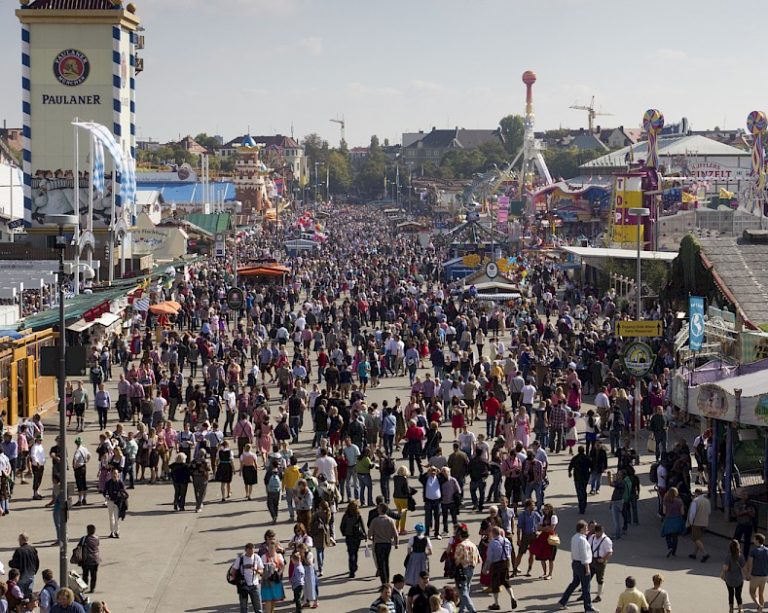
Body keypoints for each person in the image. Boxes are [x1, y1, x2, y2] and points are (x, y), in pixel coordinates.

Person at [557, 520, 597, 612]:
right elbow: (583, 554)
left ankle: (563, 601)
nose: (587, 530)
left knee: (575, 582)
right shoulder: (582, 540)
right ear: (581, 529)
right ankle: (588, 607)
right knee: (586, 586)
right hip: (582, 564)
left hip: (575, 563)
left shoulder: (575, 537)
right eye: (586, 528)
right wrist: (587, 567)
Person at [483, 526, 517, 611]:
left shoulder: (492, 543)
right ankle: (512, 597)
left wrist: (485, 568)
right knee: (505, 581)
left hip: (496, 564)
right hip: (505, 563)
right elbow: (509, 552)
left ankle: (496, 603)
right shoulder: (506, 541)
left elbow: (489, 558)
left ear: (493, 533)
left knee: (495, 584)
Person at [368, 502, 399, 585]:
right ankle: (387, 580)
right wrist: (396, 543)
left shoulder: (375, 520)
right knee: (386, 561)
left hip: (378, 544)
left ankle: (384, 583)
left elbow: (369, 534)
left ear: (380, 510)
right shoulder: (391, 520)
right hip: (388, 544)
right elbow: (396, 534)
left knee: (380, 563)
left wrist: (371, 538)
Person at [452, 526, 480, 613]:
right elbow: (479, 558)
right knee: (467, 589)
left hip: (463, 569)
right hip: (472, 568)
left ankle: (472, 610)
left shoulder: (461, 545)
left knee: (463, 592)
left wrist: (455, 567)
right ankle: (462, 609)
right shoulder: (473, 545)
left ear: (461, 536)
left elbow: (457, 559)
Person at [230, 543, 264, 613]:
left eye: (252, 551)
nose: (251, 553)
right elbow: (233, 571)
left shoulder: (257, 557)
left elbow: (262, 571)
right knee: (243, 608)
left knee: (258, 608)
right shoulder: (240, 558)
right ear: (246, 550)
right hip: (243, 586)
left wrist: (256, 570)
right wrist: (237, 582)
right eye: (250, 551)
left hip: (254, 585)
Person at [529, 503, 558, 579]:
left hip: (551, 537)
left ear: (550, 509)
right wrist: (545, 528)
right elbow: (539, 527)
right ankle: (544, 573)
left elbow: (551, 528)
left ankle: (550, 574)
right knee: (542, 556)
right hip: (543, 537)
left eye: (547, 509)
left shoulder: (553, 517)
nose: (545, 510)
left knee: (551, 557)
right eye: (545, 509)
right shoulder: (543, 517)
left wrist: (544, 528)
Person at [340, 500, 367, 578]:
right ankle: (354, 566)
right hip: (357, 536)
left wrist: (344, 533)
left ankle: (352, 570)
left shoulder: (346, 515)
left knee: (351, 553)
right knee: (355, 552)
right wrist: (365, 534)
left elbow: (342, 526)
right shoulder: (358, 515)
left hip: (349, 536)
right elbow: (362, 525)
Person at [587, 523, 613, 604]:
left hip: (600, 561)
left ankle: (599, 595)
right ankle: (585, 594)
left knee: (600, 579)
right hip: (592, 560)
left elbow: (609, 552)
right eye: (597, 532)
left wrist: (603, 559)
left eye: (600, 532)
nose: (598, 534)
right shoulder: (592, 537)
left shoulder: (606, 540)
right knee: (587, 577)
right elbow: (588, 547)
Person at [260, 539, 285, 613]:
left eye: (273, 547)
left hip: (275, 580)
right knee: (268, 600)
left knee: (274, 599)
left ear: (276, 547)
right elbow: (261, 568)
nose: (271, 549)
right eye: (270, 547)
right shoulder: (264, 556)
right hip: (267, 581)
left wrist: (279, 573)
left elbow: (283, 566)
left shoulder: (279, 556)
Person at [687, 488, 711, 562]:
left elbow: (692, 513)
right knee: (698, 538)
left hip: (696, 522)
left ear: (696, 493)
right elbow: (709, 512)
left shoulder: (695, 501)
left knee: (695, 538)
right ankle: (694, 554)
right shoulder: (707, 501)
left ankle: (705, 553)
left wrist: (690, 522)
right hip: (704, 522)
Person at [721, 540, 745, 613]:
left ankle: (731, 608)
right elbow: (743, 568)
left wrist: (722, 574)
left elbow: (725, 568)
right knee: (738, 594)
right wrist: (745, 576)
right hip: (739, 579)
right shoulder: (741, 556)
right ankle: (740, 608)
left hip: (729, 579)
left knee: (730, 593)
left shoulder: (728, 556)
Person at [746, 533, 768, 612]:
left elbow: (750, 564)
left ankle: (759, 605)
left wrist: (748, 574)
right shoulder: (767, 550)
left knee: (752, 592)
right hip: (765, 576)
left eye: (754, 539)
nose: (753, 540)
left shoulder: (753, 551)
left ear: (757, 540)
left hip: (755, 576)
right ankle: (760, 610)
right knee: (761, 593)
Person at [661, 487, 685, 557]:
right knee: (675, 536)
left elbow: (664, 512)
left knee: (667, 535)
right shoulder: (679, 501)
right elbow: (682, 512)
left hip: (668, 519)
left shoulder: (666, 501)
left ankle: (670, 547)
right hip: (677, 519)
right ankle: (674, 551)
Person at [568, 445, 592, 514]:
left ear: (578, 451)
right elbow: (592, 466)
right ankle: (583, 504)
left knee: (579, 492)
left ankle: (581, 505)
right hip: (585, 477)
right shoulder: (587, 458)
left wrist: (569, 472)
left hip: (577, 477)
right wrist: (590, 473)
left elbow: (570, 466)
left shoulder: (575, 458)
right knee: (584, 490)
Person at [733, 490, 758, 557]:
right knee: (736, 540)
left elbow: (753, 515)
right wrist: (746, 511)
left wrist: (747, 512)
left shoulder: (750, 504)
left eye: (746, 495)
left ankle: (745, 556)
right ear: (741, 496)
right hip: (740, 524)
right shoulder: (737, 504)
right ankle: (735, 554)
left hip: (748, 525)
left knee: (747, 542)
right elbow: (738, 513)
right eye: (743, 495)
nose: (745, 496)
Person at [104, 468, 127, 538]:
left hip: (117, 503)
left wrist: (121, 495)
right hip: (110, 502)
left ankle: (117, 532)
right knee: (111, 518)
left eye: (116, 473)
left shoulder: (120, 483)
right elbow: (104, 492)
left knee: (116, 518)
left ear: (118, 474)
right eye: (113, 473)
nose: (114, 475)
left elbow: (125, 493)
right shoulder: (108, 483)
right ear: (111, 474)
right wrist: (106, 497)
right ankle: (112, 532)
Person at [78, 524, 101, 593]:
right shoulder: (97, 538)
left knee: (85, 575)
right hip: (95, 559)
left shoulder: (84, 538)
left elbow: (79, 547)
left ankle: (84, 588)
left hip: (86, 560)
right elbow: (97, 545)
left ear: (87, 530)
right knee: (94, 575)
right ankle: (92, 588)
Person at [72, 437, 91, 507]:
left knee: (79, 484)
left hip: (78, 468)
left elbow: (75, 458)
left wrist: (74, 466)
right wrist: (87, 461)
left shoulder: (78, 450)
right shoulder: (84, 449)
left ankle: (80, 500)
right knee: (84, 483)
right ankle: (84, 499)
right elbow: (89, 455)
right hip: (84, 466)